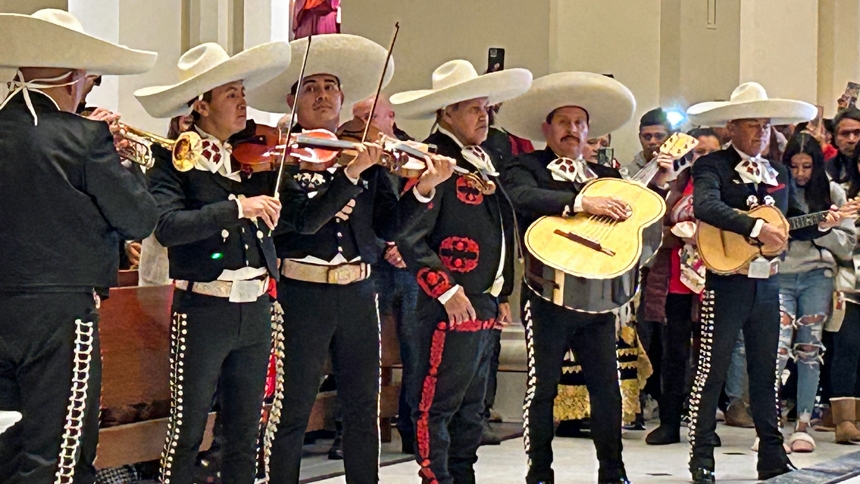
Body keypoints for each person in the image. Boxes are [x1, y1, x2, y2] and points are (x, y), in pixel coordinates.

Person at [246, 33, 451, 484]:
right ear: (293, 99)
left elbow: (386, 227)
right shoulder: (279, 159)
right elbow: (301, 223)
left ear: (342, 97)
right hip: (302, 293)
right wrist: (350, 175)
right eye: (310, 87)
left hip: (359, 291)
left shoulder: (362, 153)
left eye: (330, 87)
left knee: (362, 404)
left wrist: (423, 190)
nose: (322, 95)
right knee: (294, 405)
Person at [0, 9, 159, 484]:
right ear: (73, 78)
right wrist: (126, 166)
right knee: (60, 453)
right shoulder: (85, 137)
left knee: (9, 439)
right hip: (61, 311)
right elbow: (139, 218)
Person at [499, 72, 674, 484]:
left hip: (597, 299)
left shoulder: (606, 174)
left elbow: (632, 224)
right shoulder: (526, 166)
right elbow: (521, 197)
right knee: (542, 390)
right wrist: (580, 200)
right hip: (546, 295)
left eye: (580, 123)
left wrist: (659, 187)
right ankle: (539, 473)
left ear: (589, 130)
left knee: (607, 390)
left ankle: (613, 474)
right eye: (563, 122)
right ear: (547, 128)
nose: (572, 130)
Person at [135, 40, 292, 484]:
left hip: (255, 306)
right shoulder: (171, 160)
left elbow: (298, 218)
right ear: (200, 106)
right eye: (231, 95)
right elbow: (167, 226)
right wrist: (237, 208)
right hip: (204, 308)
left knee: (244, 432)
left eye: (243, 92)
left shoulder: (251, 158)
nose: (244, 103)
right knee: (187, 430)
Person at [685, 82, 846, 483]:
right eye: (753, 125)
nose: (762, 133)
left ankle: (772, 454)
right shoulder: (713, 166)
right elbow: (706, 206)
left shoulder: (776, 171)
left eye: (766, 126)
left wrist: (821, 222)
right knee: (712, 368)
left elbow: (789, 223)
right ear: (732, 128)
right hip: (727, 280)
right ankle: (701, 456)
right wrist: (755, 226)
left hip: (767, 282)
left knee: (765, 369)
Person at [390, 59, 531, 484]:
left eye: (486, 108)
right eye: (473, 108)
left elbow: (500, 232)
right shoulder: (431, 160)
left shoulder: (482, 160)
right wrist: (445, 291)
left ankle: (462, 476)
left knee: (473, 407)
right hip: (448, 303)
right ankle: (437, 479)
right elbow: (410, 238)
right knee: (438, 402)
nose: (484, 116)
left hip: (483, 301)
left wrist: (502, 292)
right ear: (446, 112)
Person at [774, 133, 856, 452]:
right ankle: (769, 426)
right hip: (779, 274)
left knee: (809, 349)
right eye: (794, 166)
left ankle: (804, 423)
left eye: (807, 166)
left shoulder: (833, 191)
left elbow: (847, 246)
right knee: (778, 349)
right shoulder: (777, 190)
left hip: (817, 275)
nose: (800, 173)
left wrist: (824, 232)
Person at [642, 128, 723, 446]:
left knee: (709, 357)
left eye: (711, 152)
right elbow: (649, 224)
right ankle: (669, 421)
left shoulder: (724, 186)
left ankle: (704, 426)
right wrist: (676, 233)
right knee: (673, 354)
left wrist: (702, 235)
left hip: (714, 280)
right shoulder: (676, 182)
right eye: (699, 152)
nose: (704, 158)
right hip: (675, 280)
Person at [624, 107, 672, 176]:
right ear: (640, 138)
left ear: (670, 137)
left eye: (659, 136)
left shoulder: (682, 170)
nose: (652, 141)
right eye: (647, 137)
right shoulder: (627, 174)